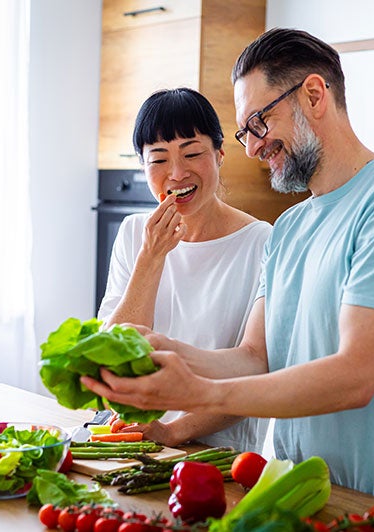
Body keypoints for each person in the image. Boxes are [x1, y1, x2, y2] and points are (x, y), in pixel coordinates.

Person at [83, 28, 374, 521]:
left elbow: (355, 376)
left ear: (313, 95)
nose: (252, 148)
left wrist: (195, 394)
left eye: (259, 123)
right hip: (297, 496)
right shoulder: (290, 228)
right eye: (246, 132)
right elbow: (255, 357)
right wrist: (165, 352)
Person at [97, 87, 271, 454]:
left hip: (220, 457)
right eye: (158, 160)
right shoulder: (133, 234)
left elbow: (257, 370)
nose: (177, 173)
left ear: (220, 154)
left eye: (192, 153)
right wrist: (151, 257)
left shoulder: (263, 242)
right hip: (134, 446)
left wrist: (173, 431)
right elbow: (111, 359)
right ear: (143, 167)